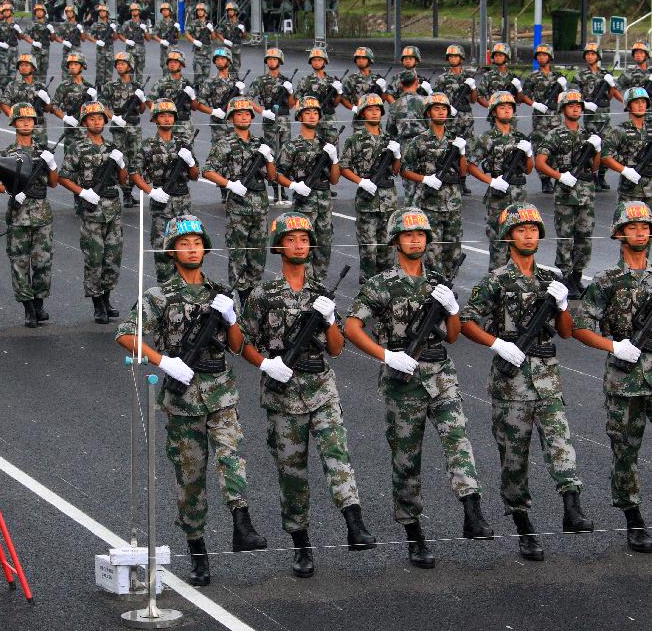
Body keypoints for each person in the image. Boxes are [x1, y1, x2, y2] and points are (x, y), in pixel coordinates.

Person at [114, 214, 268, 587]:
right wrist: (162, 360)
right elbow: (125, 334)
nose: (192, 248)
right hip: (182, 398)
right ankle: (198, 552)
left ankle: (241, 523)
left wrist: (231, 317)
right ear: (172, 251)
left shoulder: (220, 292)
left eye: (197, 243)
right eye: (185, 244)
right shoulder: (158, 296)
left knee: (231, 456)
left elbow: (236, 346)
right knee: (190, 478)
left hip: (220, 389)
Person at [344, 207, 493, 569]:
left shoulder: (439, 283)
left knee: (458, 441)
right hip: (403, 384)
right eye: (408, 235)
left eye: (421, 235)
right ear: (396, 241)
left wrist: (453, 308)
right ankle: (415, 536)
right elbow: (351, 327)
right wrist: (386, 356)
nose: (415, 240)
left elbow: (454, 336)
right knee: (407, 463)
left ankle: (472, 511)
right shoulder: (380, 285)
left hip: (441, 375)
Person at [241, 211, 376, 578]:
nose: (299, 245)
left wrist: (331, 320)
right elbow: (244, 343)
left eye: (304, 240)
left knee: (337, 457)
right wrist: (266, 364)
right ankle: (301, 544)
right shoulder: (262, 295)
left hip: (321, 389)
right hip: (282, 396)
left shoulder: (321, 294)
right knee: (292, 474)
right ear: (279, 247)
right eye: (291, 240)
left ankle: (355, 523)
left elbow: (336, 350)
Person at [460, 202, 594, 561]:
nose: (529, 234)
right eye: (521, 230)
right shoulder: (495, 281)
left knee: (561, 445)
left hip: (547, 378)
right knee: (514, 460)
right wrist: (498, 344)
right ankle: (524, 527)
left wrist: (564, 306)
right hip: (510, 384)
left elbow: (566, 333)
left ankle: (572, 508)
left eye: (533, 229)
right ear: (509, 237)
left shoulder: (552, 279)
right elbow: (467, 322)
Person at [573, 201, 652, 553]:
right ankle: (633, 517)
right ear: (620, 234)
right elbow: (581, 326)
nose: (640, 232)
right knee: (626, 452)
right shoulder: (607, 280)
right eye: (633, 227)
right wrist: (614, 347)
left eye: (645, 227)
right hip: (626, 379)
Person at [0, 102, 58, 327]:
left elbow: (54, 183)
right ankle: (28, 308)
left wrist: (53, 164)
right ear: (14, 123)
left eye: (30, 120)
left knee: (43, 262)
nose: (26, 123)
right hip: (18, 214)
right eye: (21, 120)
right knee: (19, 262)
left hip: (42, 213)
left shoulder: (43, 152)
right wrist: (9, 191)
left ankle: (39, 304)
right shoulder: (7, 153)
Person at [202, 96, 277, 305]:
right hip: (238, 208)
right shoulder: (225, 144)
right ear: (231, 118)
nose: (243, 117)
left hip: (260, 207)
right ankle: (241, 296)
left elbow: (272, 177)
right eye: (238, 114)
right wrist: (229, 184)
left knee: (258, 254)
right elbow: (207, 170)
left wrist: (269, 157)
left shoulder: (259, 144)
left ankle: (254, 294)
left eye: (246, 114)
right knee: (237, 255)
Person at [58, 100, 126, 323]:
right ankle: (97, 304)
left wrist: (122, 165)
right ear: (85, 122)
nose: (96, 122)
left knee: (112, 258)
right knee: (94, 258)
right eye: (91, 119)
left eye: (99, 118)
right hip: (92, 210)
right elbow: (63, 177)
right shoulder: (78, 148)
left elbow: (123, 181)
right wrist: (82, 192)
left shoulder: (112, 149)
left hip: (112, 209)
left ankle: (107, 298)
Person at [535, 90, 601, 297]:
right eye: (571, 105)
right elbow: (540, 163)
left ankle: (577, 276)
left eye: (578, 106)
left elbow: (595, 167)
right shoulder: (555, 134)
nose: (575, 108)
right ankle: (565, 276)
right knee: (566, 237)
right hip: (565, 194)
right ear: (563, 109)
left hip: (586, 193)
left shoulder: (588, 136)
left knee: (584, 237)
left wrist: (597, 150)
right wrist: (559, 176)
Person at [130, 98, 199, 283]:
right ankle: (164, 293)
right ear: (155, 119)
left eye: (170, 115)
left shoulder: (183, 144)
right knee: (162, 250)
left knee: (186, 247)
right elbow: (135, 173)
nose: (167, 119)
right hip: (162, 203)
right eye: (162, 116)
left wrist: (191, 161)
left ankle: (185, 289)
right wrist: (150, 191)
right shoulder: (147, 145)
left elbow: (194, 175)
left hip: (183, 202)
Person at [400, 92, 468, 275]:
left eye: (443, 109)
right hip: (429, 204)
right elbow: (403, 169)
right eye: (436, 108)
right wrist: (424, 179)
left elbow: (463, 172)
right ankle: (432, 291)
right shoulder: (419, 141)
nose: (440, 112)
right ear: (428, 113)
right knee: (432, 254)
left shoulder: (456, 140)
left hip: (453, 204)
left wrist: (461, 153)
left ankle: (447, 290)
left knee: (453, 253)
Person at [467, 91, 535, 271]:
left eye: (510, 107)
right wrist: (490, 181)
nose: (506, 111)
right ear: (494, 112)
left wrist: (528, 154)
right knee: (498, 243)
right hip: (498, 196)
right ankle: (496, 284)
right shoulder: (487, 138)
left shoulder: (521, 137)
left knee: (519, 242)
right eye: (502, 107)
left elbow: (529, 169)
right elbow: (471, 165)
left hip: (519, 194)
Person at [275, 96, 340, 281]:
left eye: (315, 113)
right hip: (305, 204)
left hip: (325, 203)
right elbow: (277, 174)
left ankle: (318, 286)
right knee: (303, 248)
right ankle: (303, 285)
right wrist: (294, 185)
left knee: (324, 247)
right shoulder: (292, 145)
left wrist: (335, 160)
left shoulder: (326, 146)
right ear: (300, 117)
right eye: (307, 113)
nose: (312, 116)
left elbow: (335, 180)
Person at [339, 93, 401, 283]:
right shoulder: (356, 139)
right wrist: (360, 181)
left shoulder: (389, 139)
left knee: (388, 247)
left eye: (377, 110)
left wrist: (397, 155)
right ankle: (368, 287)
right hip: (368, 199)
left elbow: (396, 171)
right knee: (368, 248)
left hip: (389, 198)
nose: (374, 113)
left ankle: (388, 287)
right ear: (362, 114)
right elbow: (343, 166)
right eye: (369, 110)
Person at [248, 47, 296, 206]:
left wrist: (290, 92)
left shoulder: (286, 80)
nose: (271, 61)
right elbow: (248, 99)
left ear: (279, 61)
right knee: (272, 155)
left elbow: (292, 105)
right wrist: (262, 112)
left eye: (274, 59)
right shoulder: (260, 80)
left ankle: (284, 187)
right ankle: (276, 190)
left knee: (285, 154)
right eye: (269, 59)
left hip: (284, 120)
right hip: (269, 120)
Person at [99, 51, 144, 207]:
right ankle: (124, 193)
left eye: (123, 63)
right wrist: (114, 118)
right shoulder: (110, 86)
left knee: (136, 159)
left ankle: (130, 191)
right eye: (117, 63)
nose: (119, 66)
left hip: (134, 127)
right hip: (119, 127)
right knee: (121, 160)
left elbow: (143, 109)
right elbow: (102, 105)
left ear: (130, 66)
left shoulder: (137, 86)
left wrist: (142, 99)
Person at [521, 44, 567, 194]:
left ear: (550, 57)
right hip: (540, 118)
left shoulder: (558, 76)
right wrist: (535, 104)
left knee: (557, 147)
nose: (542, 57)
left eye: (544, 55)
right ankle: (544, 180)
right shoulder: (533, 77)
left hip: (555, 117)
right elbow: (524, 96)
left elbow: (566, 96)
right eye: (539, 55)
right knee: (540, 146)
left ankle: (555, 175)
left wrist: (563, 88)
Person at [433, 44, 477, 196]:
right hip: (449, 118)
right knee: (449, 149)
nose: (452, 58)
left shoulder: (468, 77)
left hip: (466, 119)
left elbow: (473, 100)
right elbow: (436, 99)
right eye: (450, 56)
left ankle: (463, 181)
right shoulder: (442, 79)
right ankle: (449, 179)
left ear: (461, 58)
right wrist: (447, 107)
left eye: (455, 56)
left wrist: (472, 87)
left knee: (466, 150)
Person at [577, 43, 620, 190]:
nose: (590, 56)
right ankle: (592, 175)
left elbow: (610, 95)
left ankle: (602, 176)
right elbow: (574, 94)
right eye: (587, 54)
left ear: (598, 56)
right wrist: (584, 104)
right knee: (591, 148)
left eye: (593, 54)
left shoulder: (605, 74)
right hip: (590, 119)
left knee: (606, 147)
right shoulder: (580, 75)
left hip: (604, 118)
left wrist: (611, 84)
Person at [601, 87, 652, 208]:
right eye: (636, 102)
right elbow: (605, 155)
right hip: (630, 191)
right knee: (628, 226)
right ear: (628, 106)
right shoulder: (620, 130)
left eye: (643, 102)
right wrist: (624, 170)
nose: (641, 105)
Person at [1, 53, 53, 146]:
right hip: (23, 129)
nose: (23, 67)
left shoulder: (41, 86)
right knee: (22, 154)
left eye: (26, 65)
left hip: (39, 129)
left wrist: (47, 100)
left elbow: (47, 109)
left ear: (33, 68)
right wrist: (14, 118)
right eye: (21, 65)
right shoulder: (13, 85)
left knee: (41, 155)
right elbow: (4, 104)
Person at [145, 50, 198, 139]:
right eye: (170, 62)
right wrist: (159, 113)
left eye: (175, 62)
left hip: (185, 128)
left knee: (187, 152)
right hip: (166, 126)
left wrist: (192, 96)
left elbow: (195, 107)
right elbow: (149, 101)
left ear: (181, 64)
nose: (172, 64)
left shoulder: (188, 83)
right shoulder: (161, 83)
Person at [295, 47, 343, 145]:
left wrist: (339, 92)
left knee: (332, 149)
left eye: (319, 60)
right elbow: (298, 100)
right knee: (313, 148)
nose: (317, 62)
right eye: (314, 60)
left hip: (329, 121)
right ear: (311, 62)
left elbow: (335, 103)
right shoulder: (305, 80)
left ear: (325, 61)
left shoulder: (332, 81)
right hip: (312, 121)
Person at [51, 52, 95, 155]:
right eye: (70, 64)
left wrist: (95, 99)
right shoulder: (63, 86)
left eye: (75, 64)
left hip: (86, 131)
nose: (72, 67)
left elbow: (95, 110)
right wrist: (65, 118)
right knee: (69, 159)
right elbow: (54, 106)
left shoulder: (89, 86)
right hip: (70, 131)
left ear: (82, 66)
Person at [477, 43, 522, 110]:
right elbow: (479, 96)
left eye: (500, 55)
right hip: (494, 116)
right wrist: (490, 107)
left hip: (510, 115)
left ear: (506, 57)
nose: (497, 57)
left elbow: (518, 101)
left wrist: (519, 89)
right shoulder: (487, 76)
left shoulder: (513, 77)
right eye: (495, 55)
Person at [22, 3, 55, 81]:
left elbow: (52, 39)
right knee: (34, 70)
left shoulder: (48, 25)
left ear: (44, 12)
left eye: (40, 11)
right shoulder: (32, 24)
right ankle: (35, 89)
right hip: (35, 51)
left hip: (45, 51)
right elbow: (24, 35)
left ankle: (42, 89)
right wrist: (33, 42)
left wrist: (52, 31)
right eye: (37, 11)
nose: (39, 12)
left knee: (44, 71)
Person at [84, 3, 115, 86]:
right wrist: (96, 41)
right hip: (100, 52)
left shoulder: (111, 24)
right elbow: (88, 35)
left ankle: (108, 91)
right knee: (100, 74)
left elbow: (115, 37)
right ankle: (99, 91)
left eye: (103, 11)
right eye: (100, 11)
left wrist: (114, 30)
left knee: (109, 74)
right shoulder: (96, 24)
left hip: (110, 51)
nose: (101, 13)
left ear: (107, 12)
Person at [185, 2, 214, 88]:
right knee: (197, 77)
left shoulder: (209, 24)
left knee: (206, 77)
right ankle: (196, 95)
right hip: (198, 54)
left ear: (205, 12)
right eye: (198, 10)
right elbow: (186, 33)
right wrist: (194, 41)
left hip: (207, 54)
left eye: (201, 10)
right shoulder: (194, 23)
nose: (199, 12)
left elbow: (214, 37)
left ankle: (204, 95)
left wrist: (211, 30)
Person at [117, 3, 148, 80]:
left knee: (139, 73)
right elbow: (119, 34)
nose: (134, 12)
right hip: (130, 52)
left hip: (141, 52)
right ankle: (130, 90)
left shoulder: (143, 23)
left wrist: (146, 30)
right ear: (130, 12)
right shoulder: (127, 23)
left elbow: (148, 38)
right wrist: (126, 41)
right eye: (133, 10)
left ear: (139, 11)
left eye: (136, 10)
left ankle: (140, 90)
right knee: (129, 72)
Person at [215, 1, 245, 74]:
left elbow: (244, 36)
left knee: (236, 68)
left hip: (237, 49)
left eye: (231, 10)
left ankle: (235, 82)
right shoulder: (224, 23)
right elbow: (218, 33)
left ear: (235, 11)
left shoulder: (240, 23)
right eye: (228, 10)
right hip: (227, 48)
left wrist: (243, 30)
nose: (230, 12)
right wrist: (224, 40)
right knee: (226, 67)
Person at [152, 2, 180, 73]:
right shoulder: (159, 23)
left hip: (174, 49)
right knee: (165, 69)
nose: (165, 11)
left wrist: (178, 29)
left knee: (175, 70)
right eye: (163, 10)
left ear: (170, 11)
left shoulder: (174, 23)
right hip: (164, 50)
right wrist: (161, 41)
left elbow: (178, 37)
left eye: (166, 10)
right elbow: (153, 35)